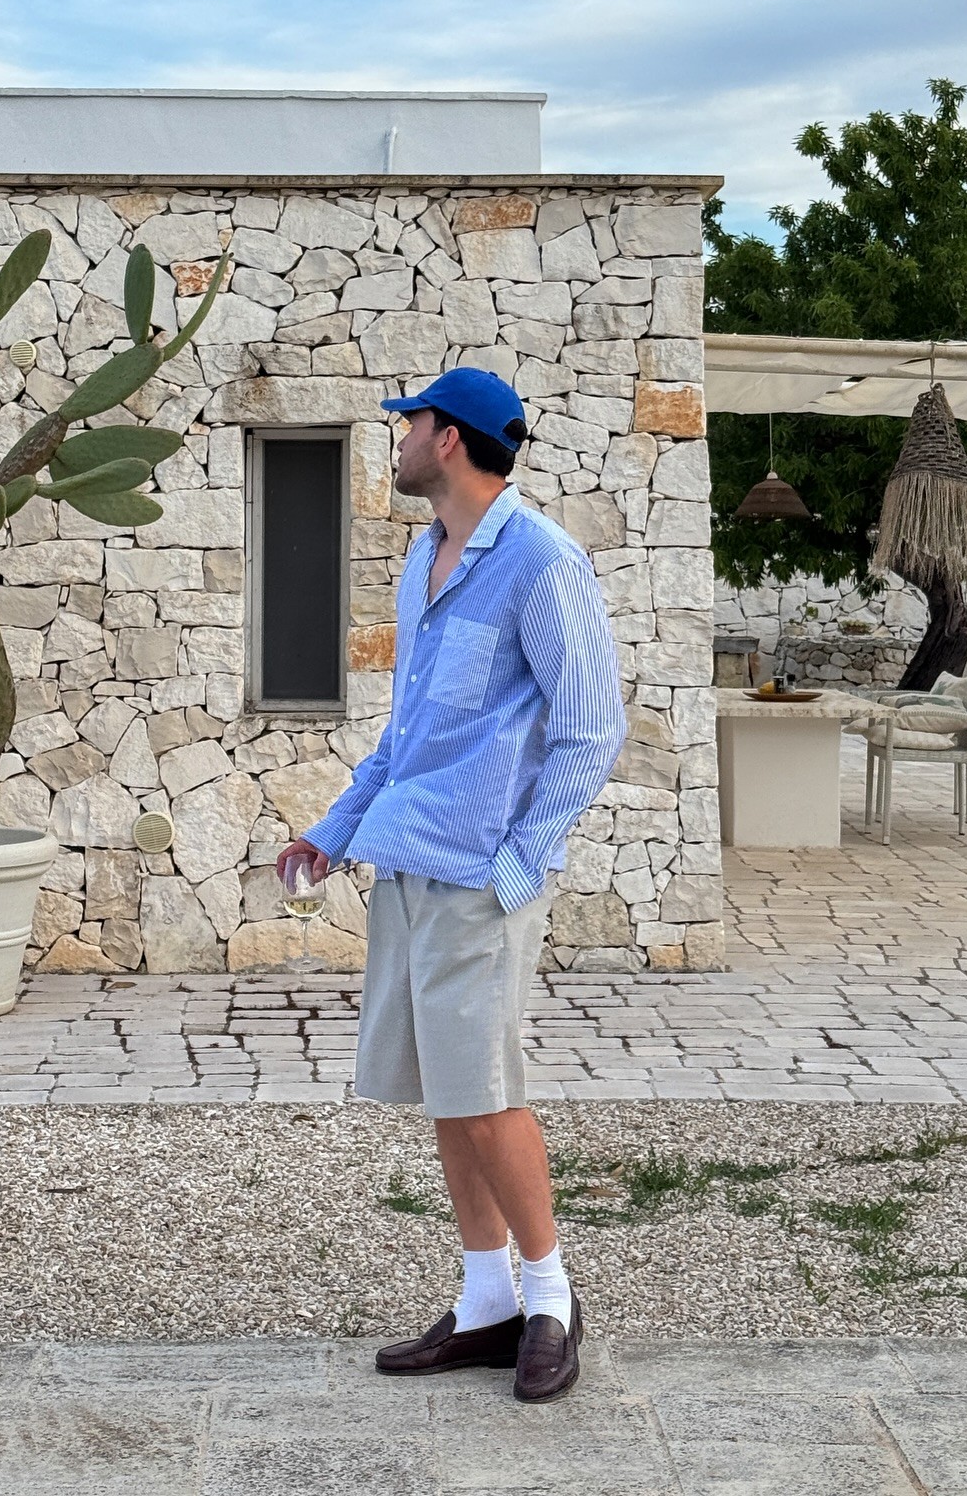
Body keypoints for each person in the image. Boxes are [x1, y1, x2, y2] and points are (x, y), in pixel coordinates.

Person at [279, 366, 625, 1405]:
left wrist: (520, 860)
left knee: (488, 1096)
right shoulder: (423, 559)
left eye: (410, 423)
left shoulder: (543, 563)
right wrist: (334, 831)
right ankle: (485, 1302)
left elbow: (591, 731)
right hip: (408, 864)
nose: (397, 439)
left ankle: (551, 1299)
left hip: (481, 877)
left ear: (452, 439)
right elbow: (408, 737)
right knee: (447, 1090)